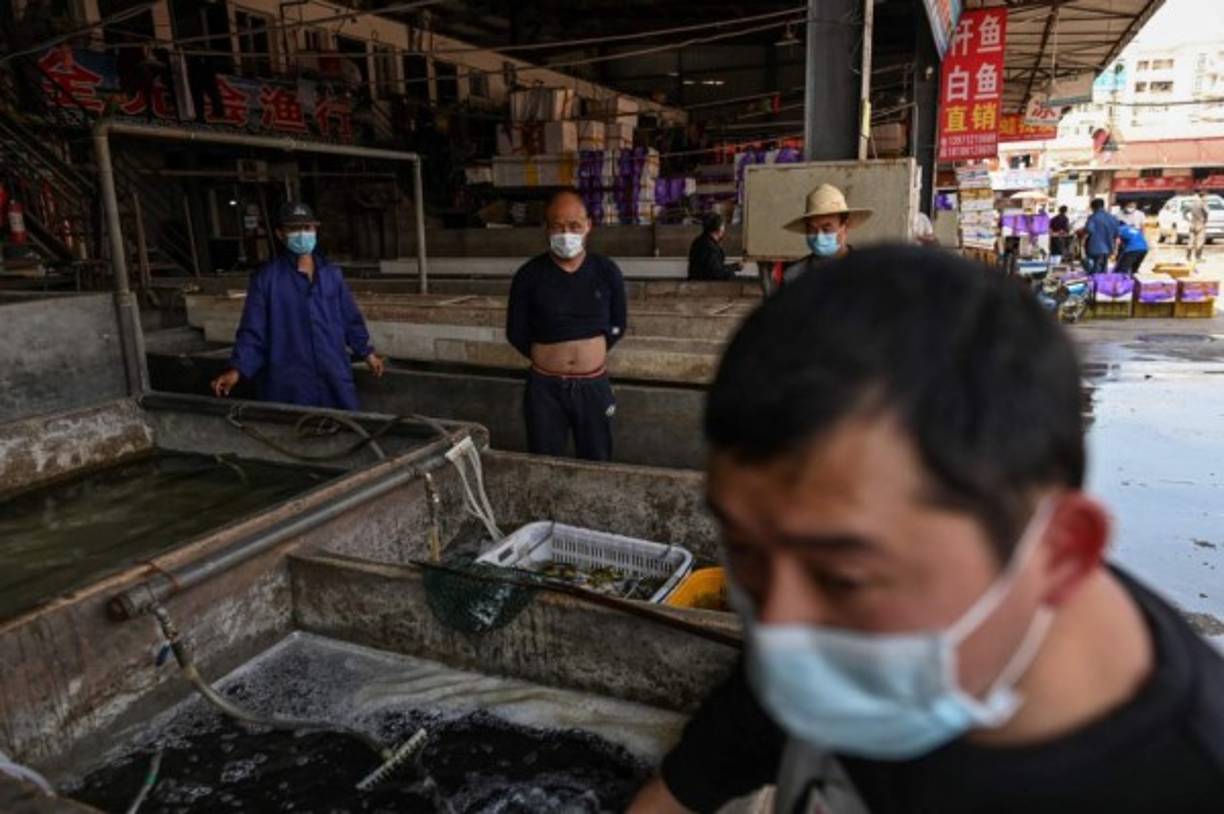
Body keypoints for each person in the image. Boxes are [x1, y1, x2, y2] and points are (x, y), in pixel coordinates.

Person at [629, 246, 1224, 814]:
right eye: (743, 548)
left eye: (845, 577)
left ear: (1060, 554)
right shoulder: (810, 634)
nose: (777, 627)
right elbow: (689, 784)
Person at [210, 202, 384, 409]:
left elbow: (350, 319)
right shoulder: (267, 279)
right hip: (290, 382)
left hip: (333, 376)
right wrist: (236, 370)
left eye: (308, 228)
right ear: (280, 234)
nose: (302, 234)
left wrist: (368, 354)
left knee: (345, 430)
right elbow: (253, 332)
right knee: (291, 434)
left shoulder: (331, 275)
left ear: (315, 231)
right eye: (294, 229)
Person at [506, 188, 627, 461]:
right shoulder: (529, 275)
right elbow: (515, 331)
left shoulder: (607, 271)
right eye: (558, 226)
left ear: (588, 226)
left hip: (594, 385)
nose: (567, 233)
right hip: (544, 389)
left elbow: (619, 324)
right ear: (546, 229)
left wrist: (590, 352)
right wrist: (548, 356)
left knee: (597, 459)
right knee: (544, 461)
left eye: (574, 226)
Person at [781, 184, 872, 284]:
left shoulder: (868, 271)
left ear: (845, 227)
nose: (819, 237)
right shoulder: (795, 276)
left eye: (826, 229)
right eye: (812, 229)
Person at [687, 213, 741, 280]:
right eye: (723, 226)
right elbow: (716, 272)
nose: (724, 229)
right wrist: (734, 267)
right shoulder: (709, 247)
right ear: (719, 229)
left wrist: (733, 267)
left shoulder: (700, 241)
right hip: (705, 286)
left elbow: (714, 268)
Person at [1081, 198, 1118, 274]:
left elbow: (1088, 230)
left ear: (1093, 207)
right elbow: (1116, 234)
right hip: (1108, 247)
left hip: (1095, 247)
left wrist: (1082, 241)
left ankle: (1096, 283)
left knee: (1095, 270)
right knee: (1103, 269)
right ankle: (1102, 284)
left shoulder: (1093, 217)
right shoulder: (1112, 218)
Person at [1186, 191, 1209, 263]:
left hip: (1192, 225)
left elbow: (1184, 212)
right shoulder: (1202, 203)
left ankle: (1188, 257)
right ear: (1202, 196)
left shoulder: (1192, 203)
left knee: (1191, 241)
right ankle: (1198, 258)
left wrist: (1187, 219)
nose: (1206, 198)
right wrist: (1205, 220)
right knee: (1200, 242)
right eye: (1206, 197)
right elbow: (1207, 212)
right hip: (1200, 225)